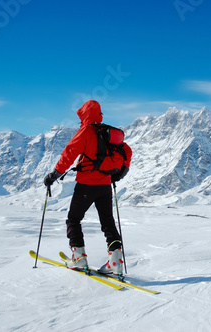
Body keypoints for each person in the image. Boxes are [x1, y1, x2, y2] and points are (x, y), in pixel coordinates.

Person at [44, 100, 132, 275]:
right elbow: (127, 151)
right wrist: (120, 173)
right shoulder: (107, 132)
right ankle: (115, 262)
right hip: (105, 185)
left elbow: (69, 154)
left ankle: (78, 258)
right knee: (107, 222)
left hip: (86, 185)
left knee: (73, 220)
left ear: (84, 114)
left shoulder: (86, 131)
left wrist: (54, 175)